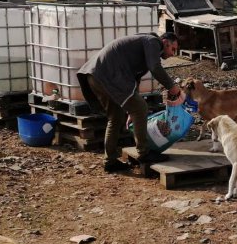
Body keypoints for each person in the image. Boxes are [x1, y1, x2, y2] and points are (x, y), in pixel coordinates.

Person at [77, 32, 182, 172]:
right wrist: (171, 86)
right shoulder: (153, 42)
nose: (173, 54)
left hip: (95, 75)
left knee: (116, 117)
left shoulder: (144, 44)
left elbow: (135, 80)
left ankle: (110, 161)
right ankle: (144, 153)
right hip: (107, 74)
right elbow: (155, 67)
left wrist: (130, 110)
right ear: (165, 42)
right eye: (173, 49)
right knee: (141, 108)